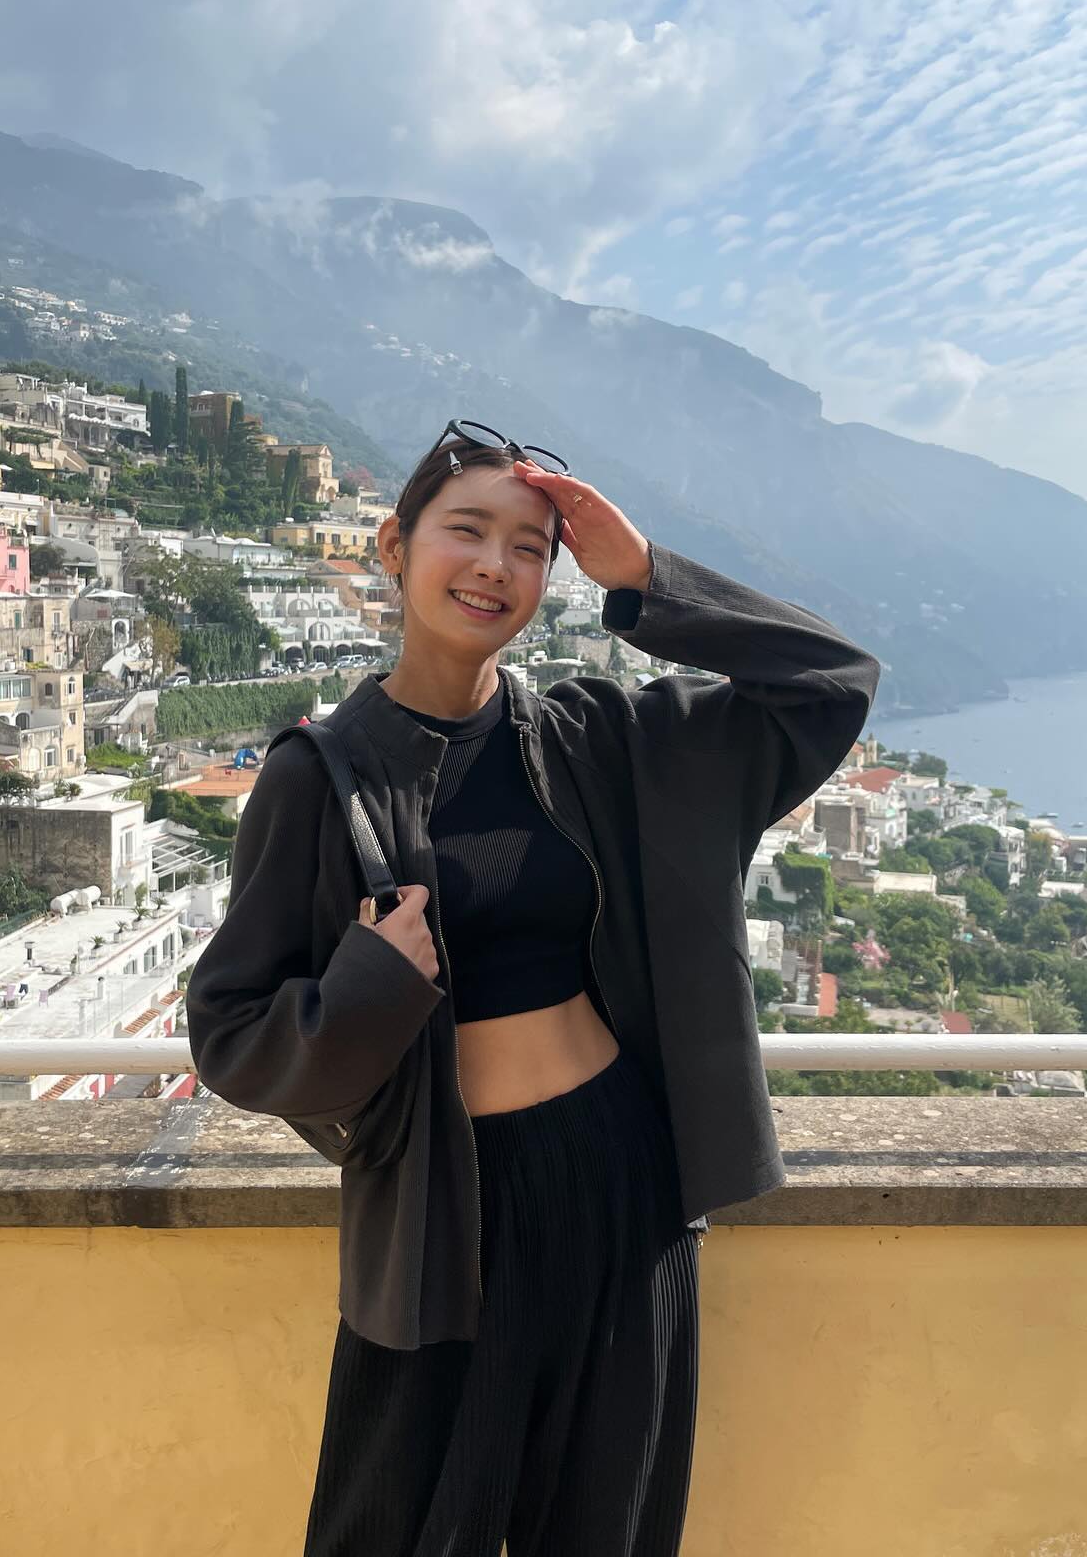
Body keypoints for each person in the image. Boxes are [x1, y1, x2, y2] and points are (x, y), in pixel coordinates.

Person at [185, 420, 881, 1556]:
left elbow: (829, 685)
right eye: (465, 531)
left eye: (529, 547)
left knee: (606, 1528)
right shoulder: (317, 778)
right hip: (441, 1216)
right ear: (394, 547)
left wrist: (646, 577)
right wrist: (368, 991)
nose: (494, 566)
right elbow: (230, 1032)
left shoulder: (595, 739)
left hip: (622, 1180)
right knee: (396, 1527)